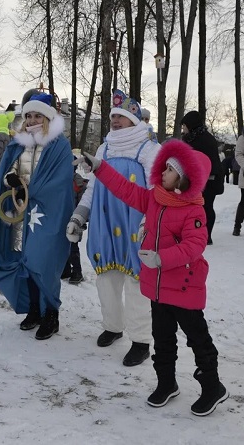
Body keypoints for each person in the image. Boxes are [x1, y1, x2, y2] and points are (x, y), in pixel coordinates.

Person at [79, 139, 229, 416]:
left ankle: (212, 386)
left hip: (184, 288)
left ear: (184, 179)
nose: (162, 173)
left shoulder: (193, 209)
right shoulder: (155, 198)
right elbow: (125, 189)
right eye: (164, 168)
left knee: (198, 339)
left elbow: (196, 245)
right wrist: (100, 168)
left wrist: (162, 258)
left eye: (170, 170)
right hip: (158, 287)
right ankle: (166, 383)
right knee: (162, 339)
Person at [66, 90, 159, 366]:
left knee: (136, 284)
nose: (115, 121)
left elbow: (156, 190)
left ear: (134, 119)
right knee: (106, 280)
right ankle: (113, 326)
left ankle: (141, 340)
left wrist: (150, 223)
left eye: (121, 116)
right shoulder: (104, 149)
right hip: (106, 225)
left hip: (136, 228)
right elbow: (94, 188)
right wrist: (79, 215)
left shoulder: (148, 148)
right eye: (113, 117)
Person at [0, 92, 73, 341]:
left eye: (37, 115)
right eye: (29, 115)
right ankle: (34, 309)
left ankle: (51, 314)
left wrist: (30, 192)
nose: (32, 119)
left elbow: (60, 182)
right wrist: (10, 179)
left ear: (47, 117)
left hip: (47, 215)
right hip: (21, 214)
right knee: (25, 262)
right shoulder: (19, 143)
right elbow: (10, 170)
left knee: (43, 263)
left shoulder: (58, 146)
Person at [181, 111, 224, 244]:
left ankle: (206, 235)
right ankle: (195, 233)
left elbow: (208, 162)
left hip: (210, 180)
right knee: (197, 208)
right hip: (196, 179)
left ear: (191, 125)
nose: (183, 129)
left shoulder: (205, 139)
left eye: (184, 126)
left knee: (206, 207)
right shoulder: (191, 138)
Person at [61, 167, 87, 285]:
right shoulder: (62, 179)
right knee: (63, 245)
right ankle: (66, 270)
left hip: (75, 219)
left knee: (73, 246)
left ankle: (77, 272)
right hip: (63, 218)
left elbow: (83, 202)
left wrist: (81, 220)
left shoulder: (78, 182)